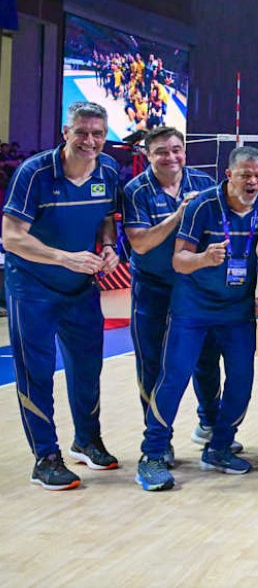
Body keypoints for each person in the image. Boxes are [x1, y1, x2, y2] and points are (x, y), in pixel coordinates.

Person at [136, 147, 258, 491]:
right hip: (193, 309)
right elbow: (178, 260)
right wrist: (203, 259)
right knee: (174, 378)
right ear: (229, 175)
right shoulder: (203, 205)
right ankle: (152, 454)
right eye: (245, 174)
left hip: (237, 312)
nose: (252, 181)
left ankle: (219, 447)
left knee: (242, 381)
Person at [2, 101, 121, 489]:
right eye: (81, 132)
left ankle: (86, 440)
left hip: (80, 288)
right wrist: (63, 257)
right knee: (36, 373)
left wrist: (108, 246)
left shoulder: (108, 170)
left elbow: (106, 218)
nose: (90, 140)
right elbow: (11, 237)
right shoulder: (34, 173)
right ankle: (45, 458)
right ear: (65, 133)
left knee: (88, 368)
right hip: (32, 287)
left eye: (98, 133)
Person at [122, 126, 225, 464]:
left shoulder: (203, 183)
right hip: (153, 287)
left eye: (176, 149)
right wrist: (178, 215)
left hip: (194, 288)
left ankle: (210, 424)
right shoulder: (136, 190)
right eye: (162, 152)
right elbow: (140, 243)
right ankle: (159, 438)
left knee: (207, 357)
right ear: (147, 155)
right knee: (152, 363)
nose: (171, 157)